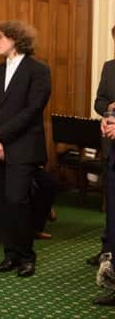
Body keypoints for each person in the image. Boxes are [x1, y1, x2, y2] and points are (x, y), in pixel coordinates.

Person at [0, 20, 51, 278]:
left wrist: (1, 135)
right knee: (1, 203)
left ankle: (26, 255)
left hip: (22, 147)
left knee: (17, 200)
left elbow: (32, 111)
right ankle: (10, 253)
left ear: (15, 39)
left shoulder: (38, 71)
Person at [89, 25, 115, 271]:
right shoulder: (109, 67)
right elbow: (98, 101)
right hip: (110, 143)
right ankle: (106, 250)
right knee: (110, 199)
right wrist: (108, 109)